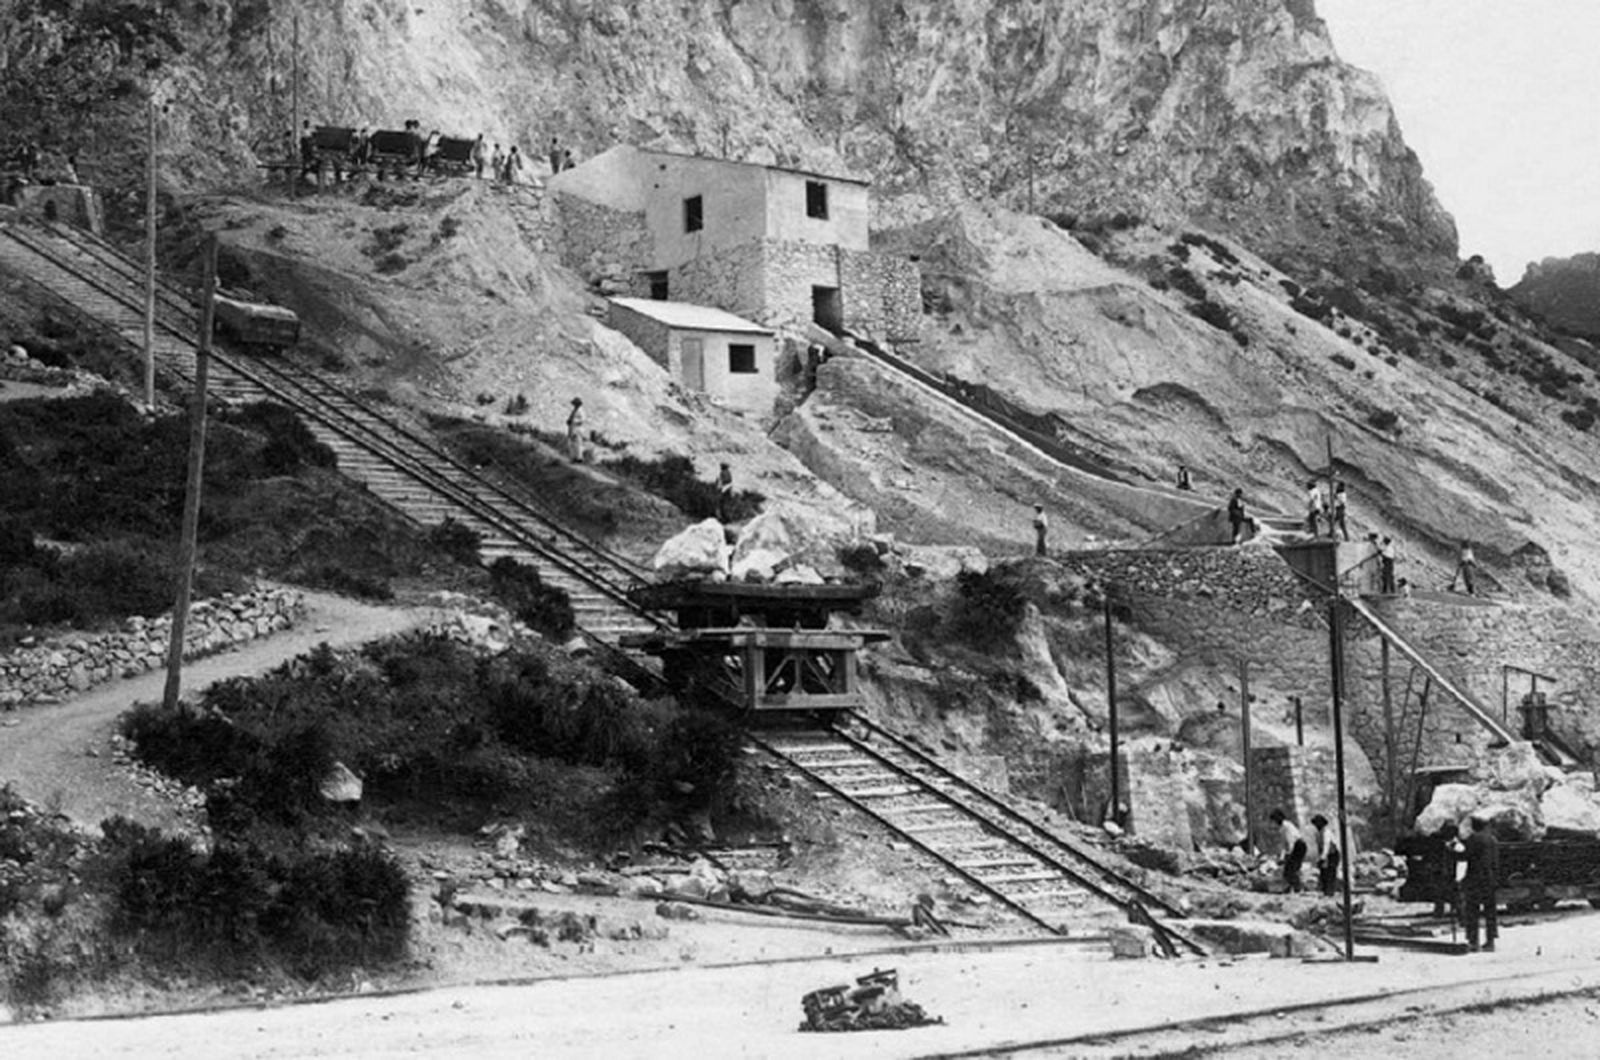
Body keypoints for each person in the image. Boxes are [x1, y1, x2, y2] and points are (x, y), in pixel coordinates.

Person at [1459, 815, 1500, 952]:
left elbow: (1465, 857)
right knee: (1490, 912)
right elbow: (1496, 862)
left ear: (1474, 827)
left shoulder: (1472, 840)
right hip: (1489, 879)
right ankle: (1490, 942)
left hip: (1474, 879)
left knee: (1472, 911)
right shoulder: (1493, 840)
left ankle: (1473, 941)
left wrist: (1454, 849)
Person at [1269, 809, 1307, 893]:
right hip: (1296, 847)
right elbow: (1283, 844)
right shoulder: (1281, 829)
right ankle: (1293, 887)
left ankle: (1298, 888)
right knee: (1290, 870)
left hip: (1298, 846)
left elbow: (1290, 841)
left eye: (1273, 821)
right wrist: (1282, 857)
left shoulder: (1286, 826)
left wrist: (1289, 854)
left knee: (1290, 870)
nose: (1272, 824)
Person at [1309, 813, 1340, 897]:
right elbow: (1320, 848)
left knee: (1330, 873)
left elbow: (1326, 846)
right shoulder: (1319, 834)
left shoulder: (1326, 832)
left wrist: (1322, 858)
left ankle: (1330, 892)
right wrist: (1320, 859)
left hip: (1332, 854)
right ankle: (1326, 891)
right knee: (1324, 873)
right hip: (1326, 855)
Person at [566, 397, 586, 462]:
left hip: (577, 428)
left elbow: (583, 419)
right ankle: (574, 457)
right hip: (573, 428)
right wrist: (569, 420)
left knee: (578, 443)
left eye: (575, 403)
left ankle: (579, 458)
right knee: (572, 443)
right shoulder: (574, 410)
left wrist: (574, 421)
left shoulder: (581, 411)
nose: (574, 405)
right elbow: (571, 417)